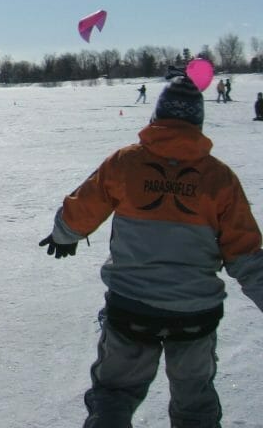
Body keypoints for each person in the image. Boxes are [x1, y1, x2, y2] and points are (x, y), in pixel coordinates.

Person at [39, 74, 263, 427]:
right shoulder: (219, 178)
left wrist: (63, 234)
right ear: (197, 121)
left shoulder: (126, 163)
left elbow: (83, 206)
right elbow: (246, 254)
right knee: (195, 406)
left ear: (157, 117)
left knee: (114, 394)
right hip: (195, 315)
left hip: (132, 310)